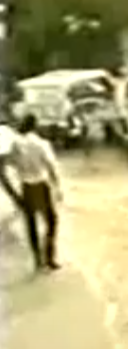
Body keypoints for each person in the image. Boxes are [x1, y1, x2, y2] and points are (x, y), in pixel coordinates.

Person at [2, 114, 63, 271]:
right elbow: (51, 167)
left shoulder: (16, 144)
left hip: (26, 186)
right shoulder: (42, 144)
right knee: (51, 221)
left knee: (31, 224)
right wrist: (58, 188)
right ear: (36, 126)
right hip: (42, 186)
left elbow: (9, 163)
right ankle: (49, 258)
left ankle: (37, 259)